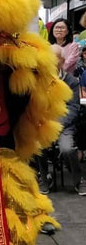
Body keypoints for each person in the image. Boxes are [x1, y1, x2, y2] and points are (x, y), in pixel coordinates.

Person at [37, 44, 86, 196]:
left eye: (55, 58)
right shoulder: (38, 80)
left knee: (67, 148)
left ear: (62, 60)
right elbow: (35, 105)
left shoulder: (71, 81)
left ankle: (79, 180)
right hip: (43, 124)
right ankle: (45, 178)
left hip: (64, 125)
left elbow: (74, 108)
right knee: (37, 147)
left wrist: (58, 124)